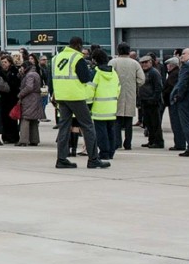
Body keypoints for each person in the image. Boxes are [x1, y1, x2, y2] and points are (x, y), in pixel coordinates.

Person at [52, 36, 107, 169]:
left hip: (61, 96)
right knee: (88, 126)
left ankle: (61, 159)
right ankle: (93, 159)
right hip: (75, 96)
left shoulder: (56, 58)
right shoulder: (77, 58)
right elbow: (85, 78)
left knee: (64, 127)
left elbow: (51, 78)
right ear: (78, 45)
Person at [110, 43, 145, 152]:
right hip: (130, 94)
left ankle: (117, 142)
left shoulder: (113, 62)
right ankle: (128, 143)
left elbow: (108, 75)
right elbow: (141, 79)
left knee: (117, 120)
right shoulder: (135, 63)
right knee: (128, 121)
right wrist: (134, 84)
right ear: (129, 51)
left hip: (116, 94)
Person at [89, 49, 119, 161]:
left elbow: (90, 89)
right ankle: (111, 152)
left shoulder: (96, 73)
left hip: (99, 107)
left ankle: (104, 152)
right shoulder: (114, 73)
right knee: (111, 130)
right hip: (112, 106)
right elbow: (118, 88)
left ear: (95, 60)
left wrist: (88, 103)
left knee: (101, 132)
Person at [137, 54, 165, 149]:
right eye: (142, 63)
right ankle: (151, 140)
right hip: (145, 101)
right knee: (148, 123)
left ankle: (158, 142)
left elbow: (158, 87)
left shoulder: (154, 72)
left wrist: (154, 99)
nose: (144, 64)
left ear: (150, 62)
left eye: (146, 62)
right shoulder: (143, 72)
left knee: (155, 123)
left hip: (153, 102)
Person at [17, 54, 44, 146]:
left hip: (29, 98)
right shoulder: (35, 73)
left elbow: (29, 87)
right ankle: (34, 139)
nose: (21, 69)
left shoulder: (29, 75)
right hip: (36, 98)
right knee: (33, 120)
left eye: (22, 67)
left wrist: (20, 94)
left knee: (25, 118)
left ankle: (23, 140)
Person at [164, 57, 184, 150]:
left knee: (176, 124)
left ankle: (179, 144)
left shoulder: (173, 74)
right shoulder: (176, 73)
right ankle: (179, 143)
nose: (167, 67)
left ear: (172, 65)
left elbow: (171, 88)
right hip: (173, 102)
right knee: (176, 123)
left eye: (168, 65)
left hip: (173, 102)